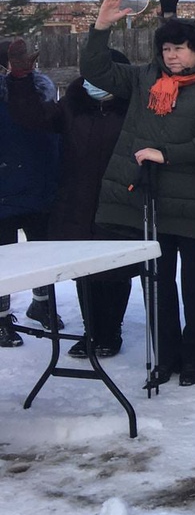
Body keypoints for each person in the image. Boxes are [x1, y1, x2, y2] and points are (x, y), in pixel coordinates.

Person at [81, 0, 195, 387]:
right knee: (157, 286)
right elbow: (96, 71)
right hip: (153, 203)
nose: (171, 55)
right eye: (167, 48)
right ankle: (166, 357)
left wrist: (165, 152)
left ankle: (194, 358)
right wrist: (101, 27)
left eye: (180, 48)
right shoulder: (144, 79)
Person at [5, 38, 132, 357]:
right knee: (85, 270)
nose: (93, 83)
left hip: (119, 201)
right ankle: (92, 332)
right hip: (77, 201)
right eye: (89, 75)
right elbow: (33, 118)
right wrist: (21, 80)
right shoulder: (74, 103)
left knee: (115, 270)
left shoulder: (134, 108)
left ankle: (110, 332)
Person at [0, 38, 60, 346]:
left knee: (42, 251)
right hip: (4, 191)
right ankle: (0, 317)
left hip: (40, 184)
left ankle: (42, 303)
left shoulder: (43, 91)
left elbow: (54, 138)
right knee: (3, 258)